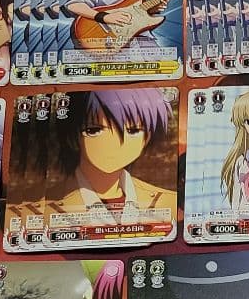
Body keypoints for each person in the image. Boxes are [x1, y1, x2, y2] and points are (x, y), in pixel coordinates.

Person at [50, 89, 177, 228]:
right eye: (94, 130)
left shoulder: (169, 201)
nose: (114, 143)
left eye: (133, 130)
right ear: (73, 137)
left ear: (146, 138)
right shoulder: (43, 208)